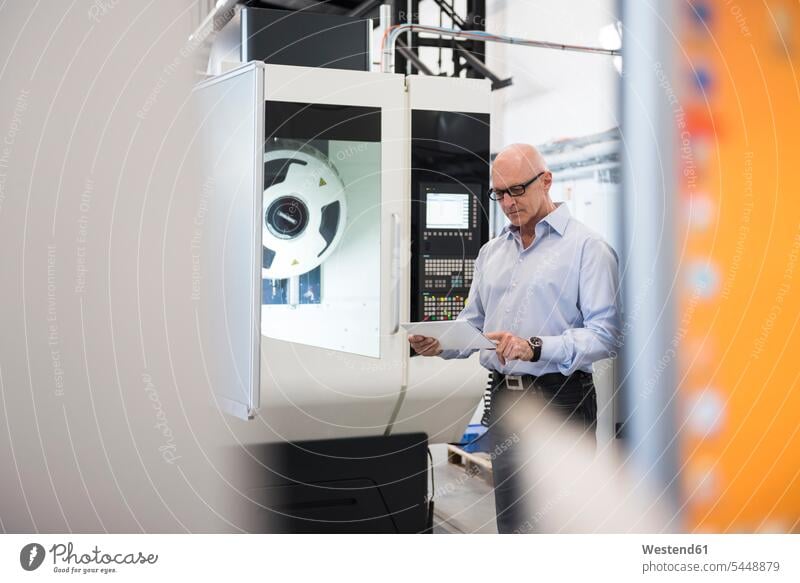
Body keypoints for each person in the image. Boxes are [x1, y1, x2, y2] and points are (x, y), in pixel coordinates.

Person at [408, 143, 621, 533]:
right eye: (499, 193)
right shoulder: (492, 252)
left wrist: (535, 346)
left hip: (562, 398)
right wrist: (440, 343)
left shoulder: (587, 248)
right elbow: (473, 325)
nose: (507, 202)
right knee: (513, 523)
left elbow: (606, 335)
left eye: (516, 190)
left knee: (561, 524)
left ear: (546, 181)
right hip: (506, 397)